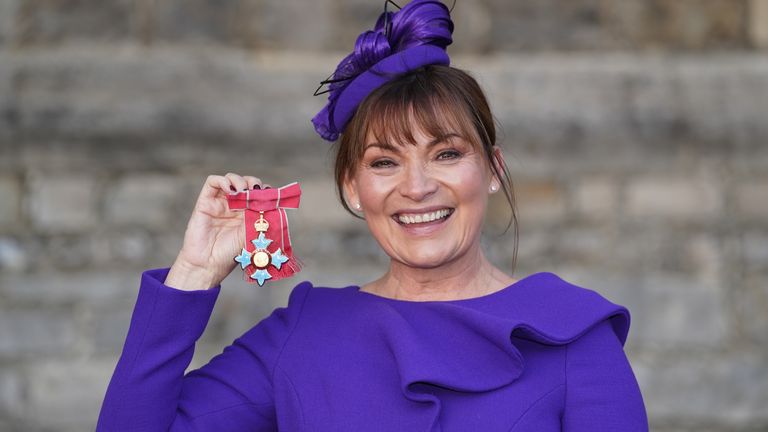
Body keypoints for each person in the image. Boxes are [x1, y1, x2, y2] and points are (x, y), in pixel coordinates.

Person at [96, 0, 648, 430]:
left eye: (447, 154)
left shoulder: (576, 340)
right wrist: (193, 272)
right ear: (353, 188)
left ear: (494, 169)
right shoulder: (302, 335)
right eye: (385, 162)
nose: (417, 187)